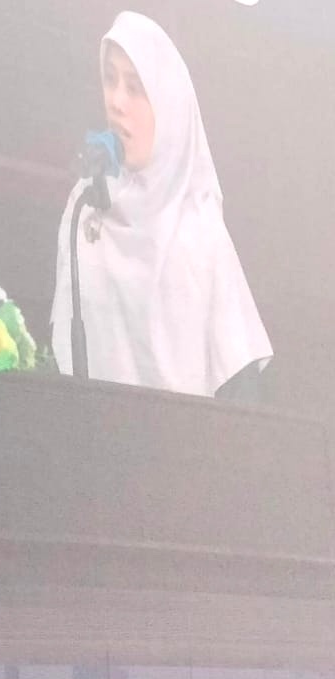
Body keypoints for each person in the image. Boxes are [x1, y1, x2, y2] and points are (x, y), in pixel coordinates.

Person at [49, 11, 272, 400]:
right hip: (90, 430)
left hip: (183, 438)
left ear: (168, 106)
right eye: (110, 80)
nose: (116, 102)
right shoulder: (85, 207)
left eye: (135, 87)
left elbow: (240, 397)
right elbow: (61, 360)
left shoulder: (201, 233)